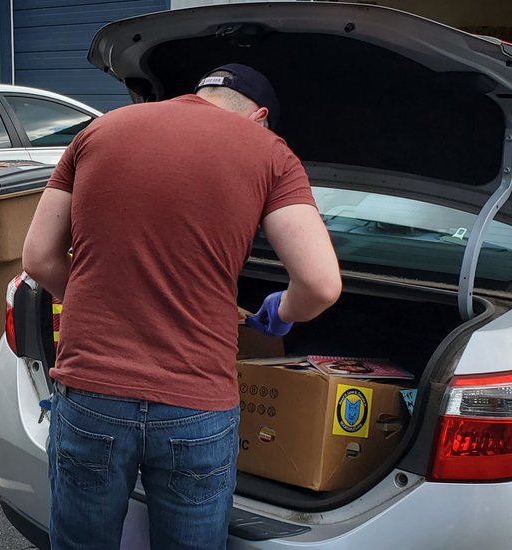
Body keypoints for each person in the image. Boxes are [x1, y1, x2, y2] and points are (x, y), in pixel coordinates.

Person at [22, 63, 342, 549]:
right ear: (259, 117)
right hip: (196, 407)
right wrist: (283, 311)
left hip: (91, 390)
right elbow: (320, 284)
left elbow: (39, 258)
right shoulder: (270, 152)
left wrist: (98, 299)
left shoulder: (99, 130)